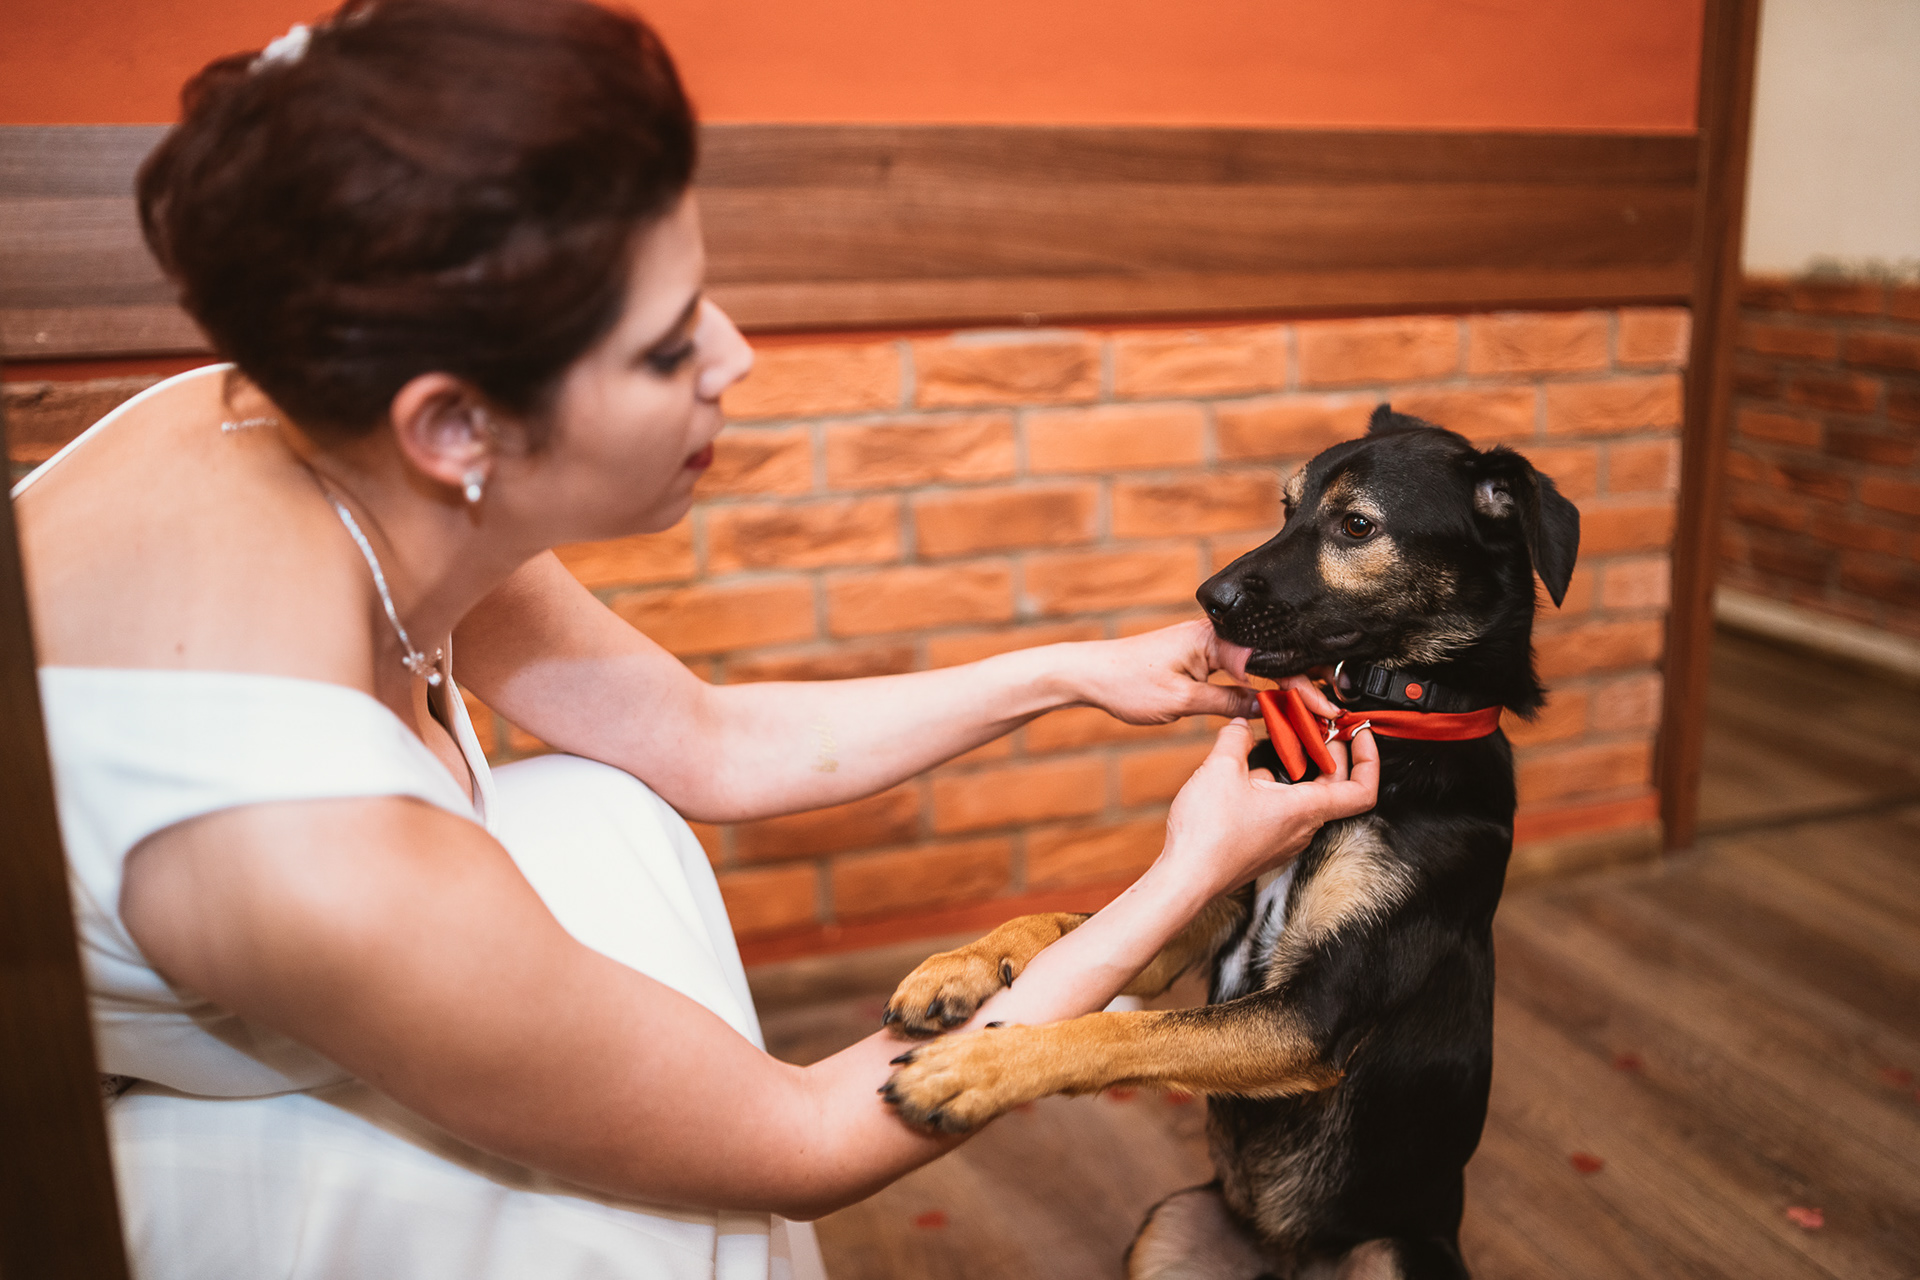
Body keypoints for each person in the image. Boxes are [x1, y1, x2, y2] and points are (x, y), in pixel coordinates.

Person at [14, 1, 1380, 1276]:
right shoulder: (306, 847)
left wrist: (1070, 672)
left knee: (608, 801)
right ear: (456, 427)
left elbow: (705, 742)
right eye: (670, 349)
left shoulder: (341, 430)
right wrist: (1186, 875)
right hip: (162, 1151)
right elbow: (806, 1137)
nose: (735, 357)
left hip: (322, 989)